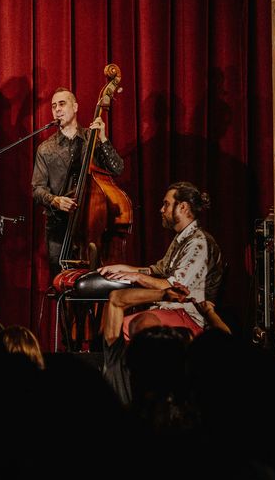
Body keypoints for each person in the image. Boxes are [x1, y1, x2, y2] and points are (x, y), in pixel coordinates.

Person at [98, 181, 222, 344]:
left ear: (183, 207)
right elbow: (156, 270)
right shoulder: (181, 239)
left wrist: (137, 277)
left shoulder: (199, 243)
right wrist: (123, 268)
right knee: (110, 322)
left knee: (121, 327)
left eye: (166, 204)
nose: (161, 210)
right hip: (172, 310)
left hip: (191, 316)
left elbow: (176, 288)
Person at [32, 87, 124, 274]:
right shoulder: (45, 148)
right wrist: (55, 200)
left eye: (62, 104)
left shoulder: (93, 138)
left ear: (75, 107)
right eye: (53, 106)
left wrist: (104, 138)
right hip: (59, 227)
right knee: (60, 282)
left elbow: (117, 168)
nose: (57, 109)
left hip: (93, 225)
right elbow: (37, 190)